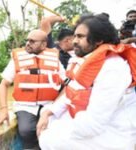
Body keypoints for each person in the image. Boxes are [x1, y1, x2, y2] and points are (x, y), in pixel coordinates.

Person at [37, 13, 136, 150]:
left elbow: (93, 124)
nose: (74, 41)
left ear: (98, 40)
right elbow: (71, 92)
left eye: (80, 36)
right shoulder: (84, 61)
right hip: (94, 125)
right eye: (75, 36)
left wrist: (56, 130)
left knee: (48, 138)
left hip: (113, 134)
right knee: (49, 120)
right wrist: (49, 112)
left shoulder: (113, 68)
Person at [0, 29, 66, 150]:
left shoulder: (55, 60)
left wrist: (56, 104)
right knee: (26, 130)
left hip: (49, 105)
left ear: (44, 44)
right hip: (25, 105)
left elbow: (67, 85)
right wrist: (3, 109)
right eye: (27, 40)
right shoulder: (17, 59)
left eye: (32, 41)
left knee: (56, 129)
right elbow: (3, 84)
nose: (28, 43)